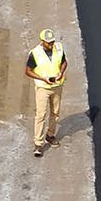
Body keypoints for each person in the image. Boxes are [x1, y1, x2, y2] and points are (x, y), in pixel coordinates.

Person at [25, 28, 67, 157]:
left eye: (52, 42)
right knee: (41, 115)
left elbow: (64, 62)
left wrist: (61, 73)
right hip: (43, 87)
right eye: (49, 42)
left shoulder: (58, 48)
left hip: (57, 86)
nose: (51, 44)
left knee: (55, 112)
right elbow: (28, 71)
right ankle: (38, 143)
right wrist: (42, 78)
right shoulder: (35, 53)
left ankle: (50, 135)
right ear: (42, 41)